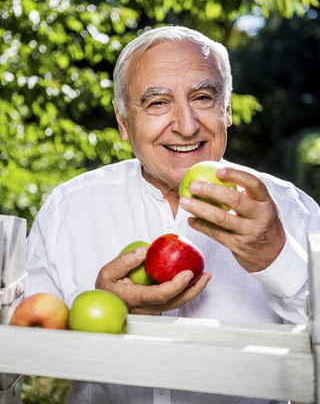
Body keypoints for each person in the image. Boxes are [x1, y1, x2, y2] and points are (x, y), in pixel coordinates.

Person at [26, 25, 320, 404]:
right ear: (122, 122)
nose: (186, 125)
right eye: (157, 103)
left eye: (202, 98)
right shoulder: (68, 208)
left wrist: (276, 257)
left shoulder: (291, 211)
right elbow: (26, 354)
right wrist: (109, 313)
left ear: (226, 109)